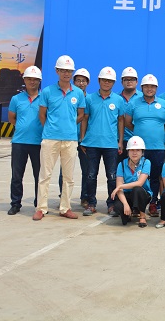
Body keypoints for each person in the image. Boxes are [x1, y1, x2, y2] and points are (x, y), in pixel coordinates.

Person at [34, 55, 86, 221]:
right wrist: (51, 128)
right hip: (50, 139)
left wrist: (69, 124)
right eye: (63, 70)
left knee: (68, 177)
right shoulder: (48, 91)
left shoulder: (78, 93)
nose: (66, 73)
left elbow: (81, 114)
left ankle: (65, 207)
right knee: (45, 175)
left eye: (69, 71)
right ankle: (41, 208)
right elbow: (42, 115)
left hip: (70, 139)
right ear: (57, 71)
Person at [125, 74, 165, 218]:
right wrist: (140, 132)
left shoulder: (164, 104)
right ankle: (137, 205)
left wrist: (156, 132)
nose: (149, 89)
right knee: (138, 176)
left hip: (157, 148)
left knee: (155, 177)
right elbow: (128, 122)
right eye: (146, 86)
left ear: (156, 88)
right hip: (139, 149)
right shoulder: (133, 103)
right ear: (142, 87)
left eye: (152, 86)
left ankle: (153, 203)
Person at [80, 67, 124, 216]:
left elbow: (121, 120)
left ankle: (111, 204)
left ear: (114, 83)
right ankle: (91, 203)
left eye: (110, 81)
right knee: (91, 175)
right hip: (92, 143)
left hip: (110, 144)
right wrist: (82, 139)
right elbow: (85, 119)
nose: (107, 83)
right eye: (104, 80)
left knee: (112, 176)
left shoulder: (118, 100)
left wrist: (120, 141)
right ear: (99, 81)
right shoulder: (89, 99)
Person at [7, 65, 43, 215]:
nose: (32, 82)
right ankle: (15, 203)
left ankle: (39, 204)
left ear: (39, 81)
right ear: (24, 80)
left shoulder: (44, 98)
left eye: (35, 79)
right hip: (19, 142)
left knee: (39, 176)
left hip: (39, 143)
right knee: (17, 175)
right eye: (29, 79)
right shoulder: (16, 99)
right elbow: (12, 118)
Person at [59, 67, 90, 207]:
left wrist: (85, 138)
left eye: (83, 81)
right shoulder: (68, 96)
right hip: (68, 138)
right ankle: (63, 197)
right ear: (74, 81)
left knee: (87, 170)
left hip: (85, 141)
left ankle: (85, 197)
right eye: (78, 80)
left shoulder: (90, 99)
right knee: (65, 171)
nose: (81, 83)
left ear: (87, 83)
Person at [110, 136, 151, 228]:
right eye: (132, 150)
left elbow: (140, 183)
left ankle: (142, 216)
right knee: (119, 208)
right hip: (127, 195)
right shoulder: (121, 164)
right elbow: (119, 189)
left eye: (138, 150)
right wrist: (125, 204)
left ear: (142, 152)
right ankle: (129, 212)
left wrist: (120, 186)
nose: (134, 153)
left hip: (142, 194)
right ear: (128, 151)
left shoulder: (146, 163)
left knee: (137, 189)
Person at [118, 66, 142, 164]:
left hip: (138, 140)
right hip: (119, 141)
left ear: (137, 82)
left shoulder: (143, 98)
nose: (129, 82)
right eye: (126, 79)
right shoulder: (116, 98)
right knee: (119, 169)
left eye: (132, 79)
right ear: (122, 82)